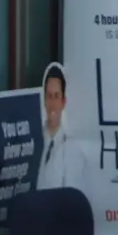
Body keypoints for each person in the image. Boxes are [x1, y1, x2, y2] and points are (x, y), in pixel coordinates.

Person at [31, 63, 99, 198]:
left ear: (63, 101)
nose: (52, 103)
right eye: (49, 96)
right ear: (44, 100)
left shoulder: (73, 149)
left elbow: (74, 200)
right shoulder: (33, 142)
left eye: (56, 96)